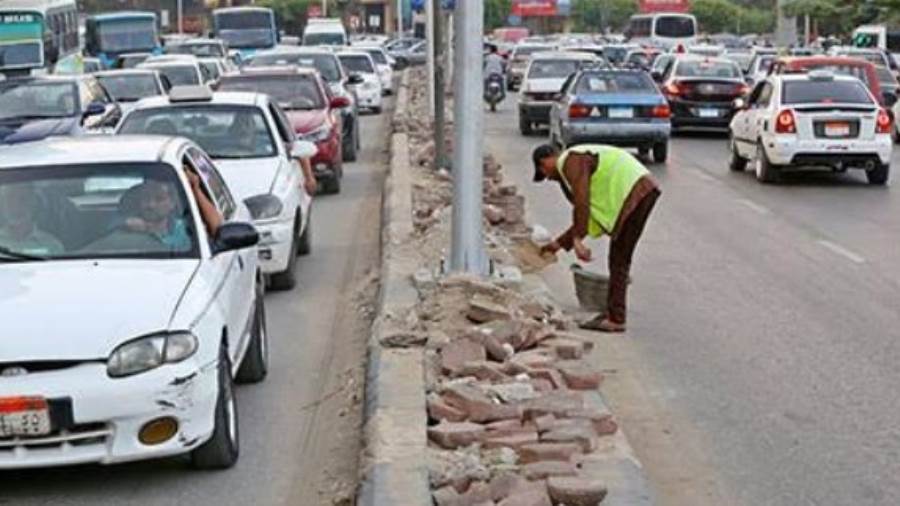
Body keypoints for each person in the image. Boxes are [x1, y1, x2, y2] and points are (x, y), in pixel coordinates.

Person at [533, 144, 661, 333]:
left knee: (619, 259)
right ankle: (613, 313)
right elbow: (589, 214)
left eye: (544, 171)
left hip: (636, 191)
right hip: (641, 190)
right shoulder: (573, 163)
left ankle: (616, 319)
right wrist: (558, 244)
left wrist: (576, 239)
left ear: (546, 160)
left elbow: (582, 202)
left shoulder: (570, 161)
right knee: (619, 258)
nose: (549, 178)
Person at [123, 167, 222, 249]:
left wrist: (195, 189)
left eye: (159, 199)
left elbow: (218, 231)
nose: (151, 205)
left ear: (172, 203)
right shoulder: (126, 229)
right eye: (146, 198)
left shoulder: (185, 229)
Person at [0, 184, 64, 256]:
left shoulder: (52, 245)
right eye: (9, 199)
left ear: (34, 205)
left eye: (23, 199)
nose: (15, 206)